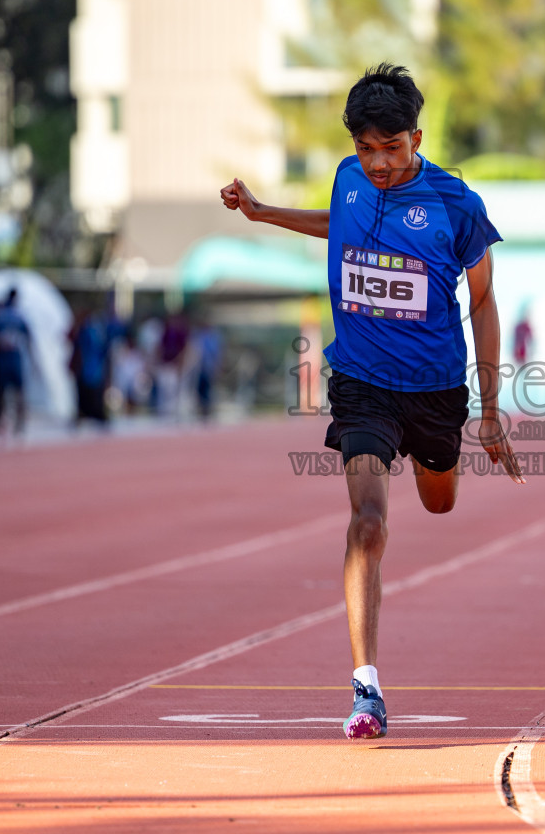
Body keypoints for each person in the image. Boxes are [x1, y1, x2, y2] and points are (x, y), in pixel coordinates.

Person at [220, 62, 522, 740]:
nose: (378, 163)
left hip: (437, 388)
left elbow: (481, 299)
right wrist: (263, 211)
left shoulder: (456, 204)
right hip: (361, 384)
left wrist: (492, 408)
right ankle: (366, 689)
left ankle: (434, 460)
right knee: (367, 524)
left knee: (438, 501)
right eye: (366, 148)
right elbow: (341, 222)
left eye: (392, 148)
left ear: (416, 137)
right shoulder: (348, 177)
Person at [0, 288, 31, 436]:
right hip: (13, 358)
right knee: (18, 391)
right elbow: (28, 337)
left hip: (3, 359)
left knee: (1, 392)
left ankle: (1, 422)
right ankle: (20, 423)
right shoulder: (19, 316)